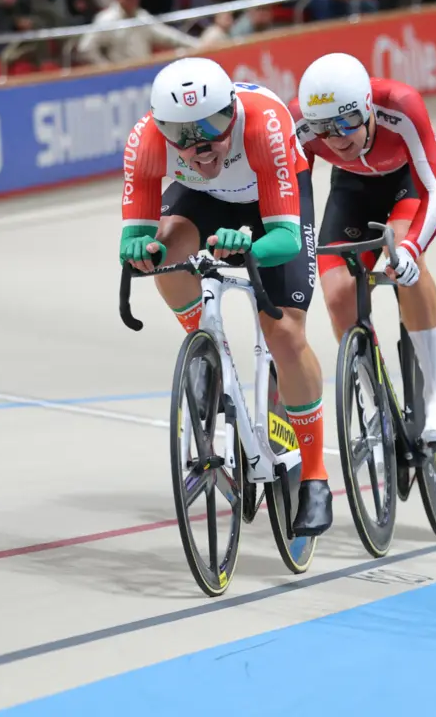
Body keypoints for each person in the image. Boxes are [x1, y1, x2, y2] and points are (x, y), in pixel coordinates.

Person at [117, 56, 332, 537]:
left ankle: (315, 475)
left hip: (272, 207)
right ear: (160, 128)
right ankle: (207, 353)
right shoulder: (145, 140)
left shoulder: (263, 125)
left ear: (233, 112)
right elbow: (137, 235)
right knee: (168, 254)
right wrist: (140, 251)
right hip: (205, 200)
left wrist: (248, 245)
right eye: (182, 134)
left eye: (213, 126)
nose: (200, 146)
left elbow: (286, 239)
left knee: (284, 333)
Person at [289, 52, 436, 445]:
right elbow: (294, 197)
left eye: (347, 122)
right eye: (323, 129)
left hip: (409, 179)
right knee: (337, 294)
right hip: (353, 189)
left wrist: (413, 248)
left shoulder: (400, 104)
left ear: (368, 107)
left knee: (401, 256)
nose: (337, 139)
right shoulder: (298, 121)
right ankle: (374, 403)